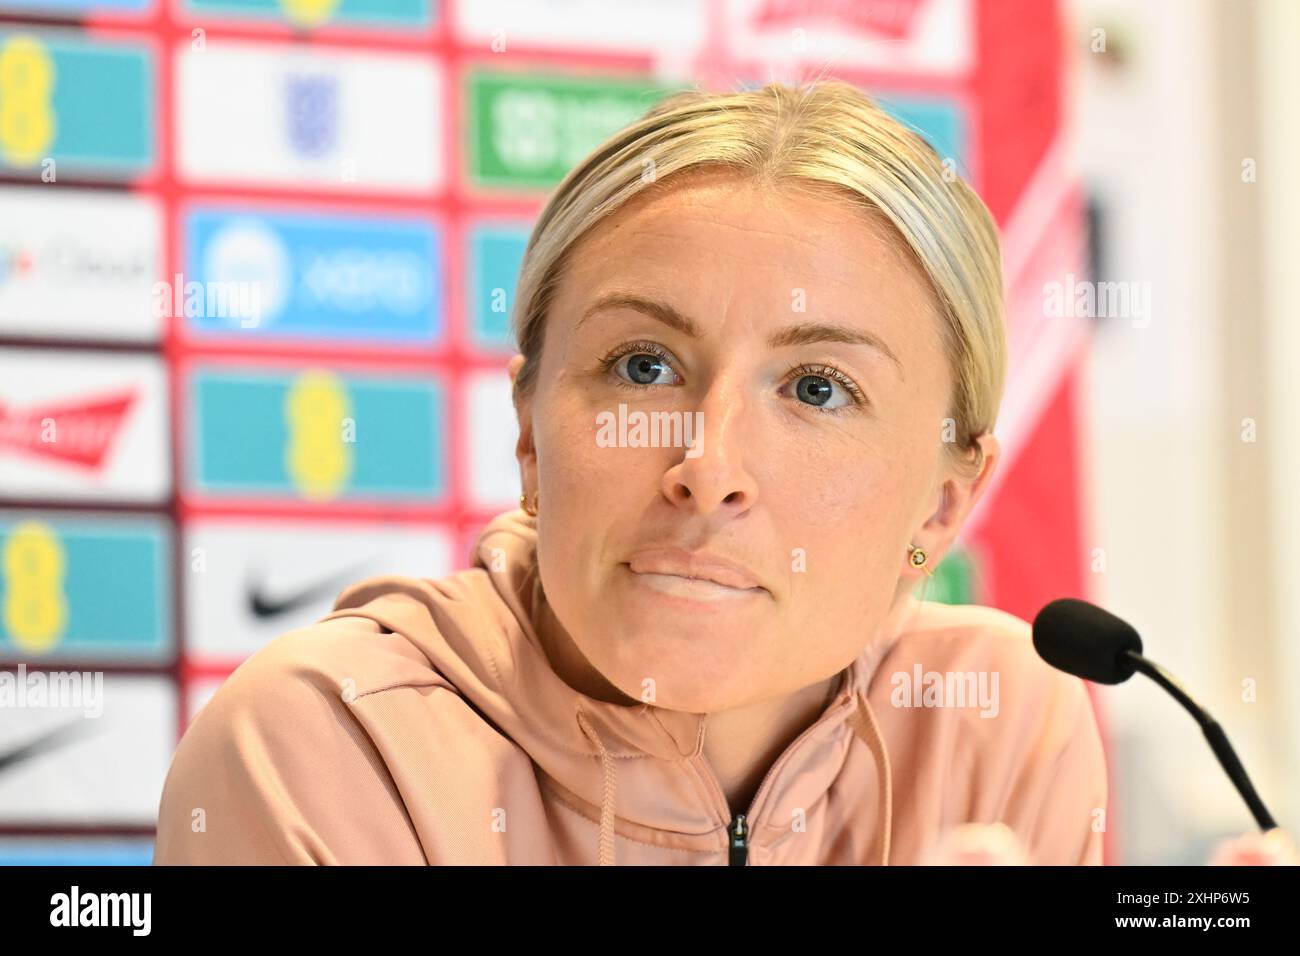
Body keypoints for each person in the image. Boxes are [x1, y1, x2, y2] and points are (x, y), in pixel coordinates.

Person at [153, 79, 1107, 865]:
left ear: (943, 505)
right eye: (643, 367)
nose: (709, 466)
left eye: (818, 389)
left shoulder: (998, 717)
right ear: (529, 433)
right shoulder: (325, 743)